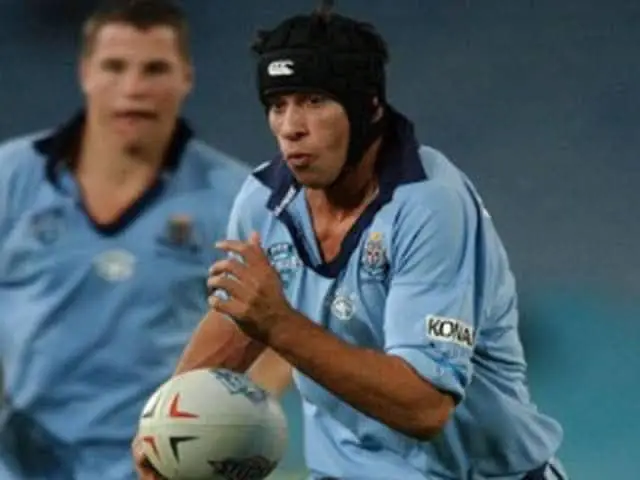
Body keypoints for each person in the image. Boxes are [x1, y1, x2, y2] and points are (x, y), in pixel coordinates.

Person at [135, 5, 567, 480]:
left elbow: (423, 408)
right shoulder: (263, 201)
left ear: (369, 108)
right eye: (278, 105)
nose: (290, 126)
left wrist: (279, 324)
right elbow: (238, 315)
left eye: (314, 101)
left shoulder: (429, 204)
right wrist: (165, 424)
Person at [0, 1, 287, 478]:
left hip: (162, 471)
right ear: (85, 73)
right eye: (114, 67)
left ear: (186, 77)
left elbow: (276, 336)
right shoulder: (9, 178)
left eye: (155, 69)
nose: (133, 89)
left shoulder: (237, 198)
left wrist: (225, 430)